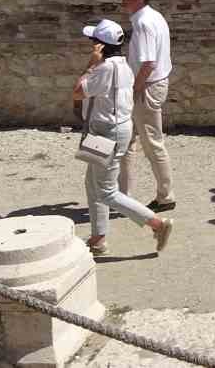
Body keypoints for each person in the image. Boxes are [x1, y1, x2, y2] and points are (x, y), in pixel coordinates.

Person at [73, 19, 175, 255]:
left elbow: (77, 92)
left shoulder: (104, 69)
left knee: (107, 191)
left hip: (105, 132)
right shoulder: (123, 65)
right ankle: (98, 239)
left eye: (93, 42)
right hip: (107, 130)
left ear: (100, 45)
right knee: (92, 183)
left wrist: (90, 65)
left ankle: (158, 225)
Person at [118, 0, 175, 213]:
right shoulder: (153, 16)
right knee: (126, 141)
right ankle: (122, 196)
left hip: (147, 86)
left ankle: (166, 195)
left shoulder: (143, 23)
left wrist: (134, 89)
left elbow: (148, 63)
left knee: (152, 142)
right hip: (152, 83)